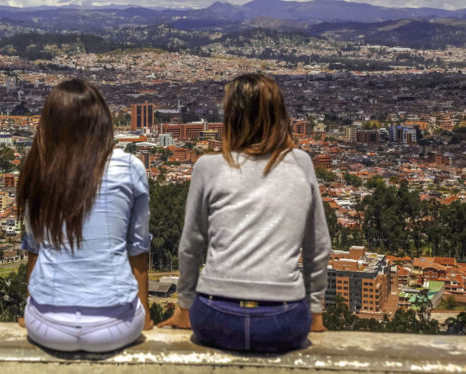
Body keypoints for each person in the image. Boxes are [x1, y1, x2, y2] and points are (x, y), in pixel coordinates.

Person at [158, 73, 331, 353]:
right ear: (279, 115)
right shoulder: (301, 163)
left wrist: (184, 308)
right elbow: (318, 246)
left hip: (215, 314)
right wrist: (315, 312)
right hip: (284, 317)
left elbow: (190, 245)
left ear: (231, 117)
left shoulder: (208, 166)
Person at [18, 78, 152, 352]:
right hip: (116, 327)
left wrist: (32, 308)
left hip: (46, 327)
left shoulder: (38, 167)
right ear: (102, 121)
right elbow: (137, 249)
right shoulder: (129, 167)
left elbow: (34, 249)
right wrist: (145, 314)